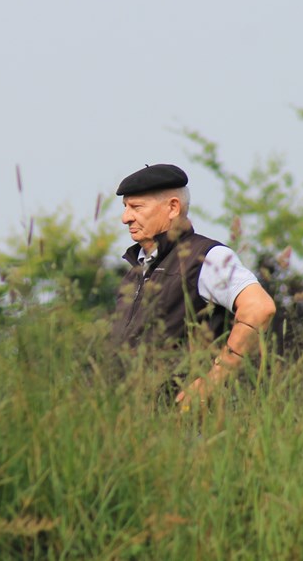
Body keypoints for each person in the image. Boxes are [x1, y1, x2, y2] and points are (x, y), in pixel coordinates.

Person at [108, 163, 276, 407]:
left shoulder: (208, 257)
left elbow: (260, 309)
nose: (126, 218)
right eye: (125, 208)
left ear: (173, 207)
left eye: (136, 207)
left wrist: (214, 379)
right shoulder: (136, 272)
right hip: (138, 424)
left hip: (189, 425)